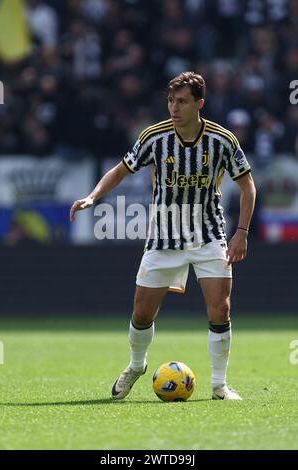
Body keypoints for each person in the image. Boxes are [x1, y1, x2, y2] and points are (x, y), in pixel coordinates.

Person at [70, 71, 256, 400]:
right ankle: (136, 365)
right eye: (171, 100)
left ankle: (218, 386)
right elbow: (120, 169)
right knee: (142, 313)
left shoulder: (222, 140)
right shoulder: (154, 137)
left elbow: (247, 187)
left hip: (208, 235)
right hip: (163, 237)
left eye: (182, 101)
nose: (174, 107)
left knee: (220, 309)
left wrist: (241, 232)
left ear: (199, 104)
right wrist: (93, 197)